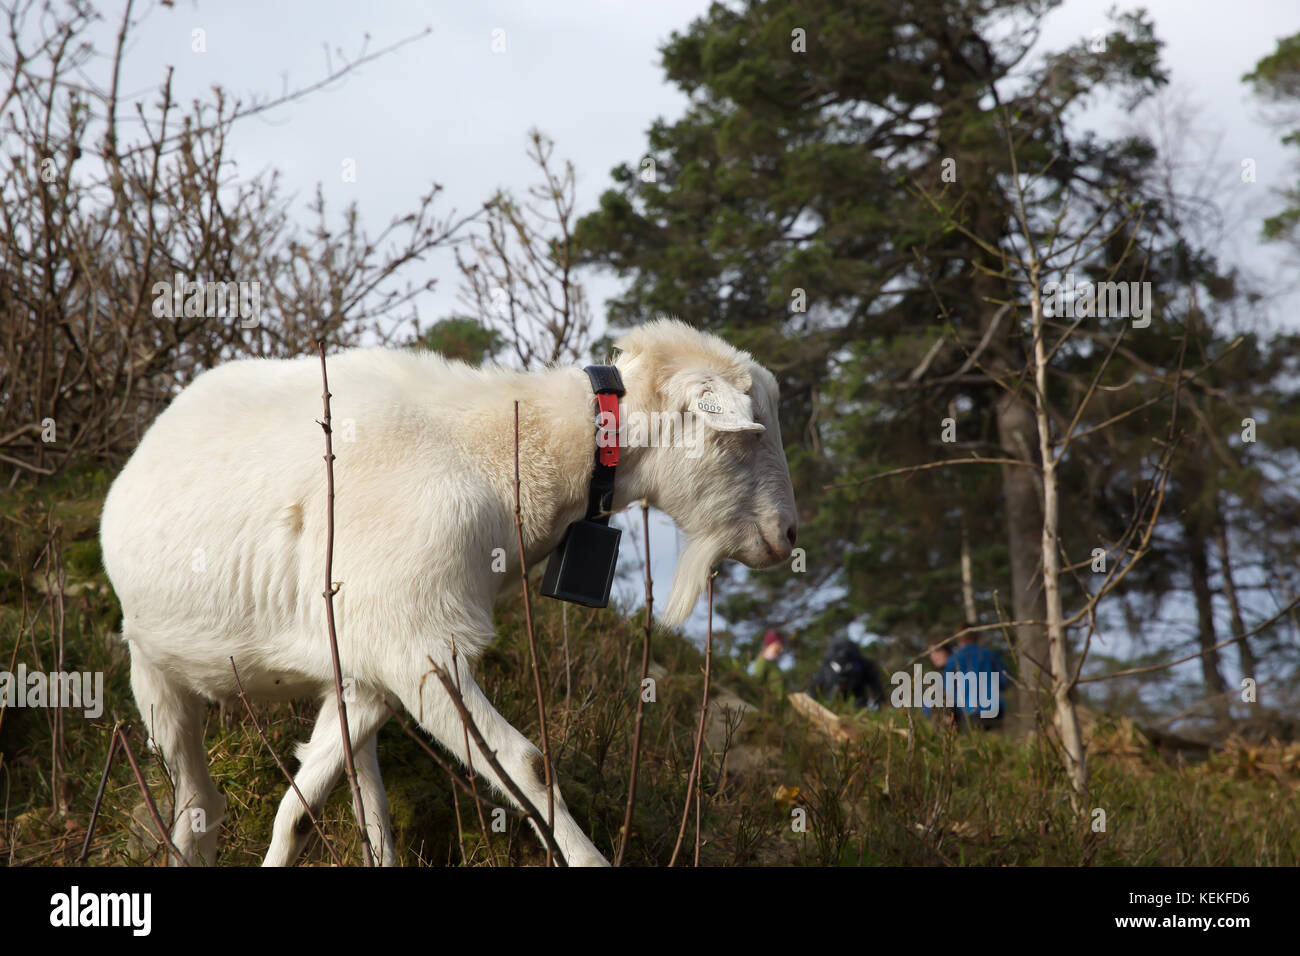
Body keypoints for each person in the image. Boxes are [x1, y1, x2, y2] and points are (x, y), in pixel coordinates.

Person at [943, 623, 1009, 730]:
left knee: (975, 743)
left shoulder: (953, 660)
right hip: (994, 708)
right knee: (995, 742)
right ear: (977, 637)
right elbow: (1005, 680)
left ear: (959, 639)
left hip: (969, 711)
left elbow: (949, 690)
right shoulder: (990, 655)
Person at [808, 637, 885, 710]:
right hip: (844, 696)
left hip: (856, 694)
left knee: (857, 701)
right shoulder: (861, 663)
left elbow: (876, 687)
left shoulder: (862, 664)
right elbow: (815, 688)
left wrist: (880, 701)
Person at [751, 629, 787, 700]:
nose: (781, 648)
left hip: (778, 705)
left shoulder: (773, 664)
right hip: (769, 703)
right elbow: (756, 682)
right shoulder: (762, 661)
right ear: (769, 644)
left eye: (781, 645)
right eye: (778, 644)